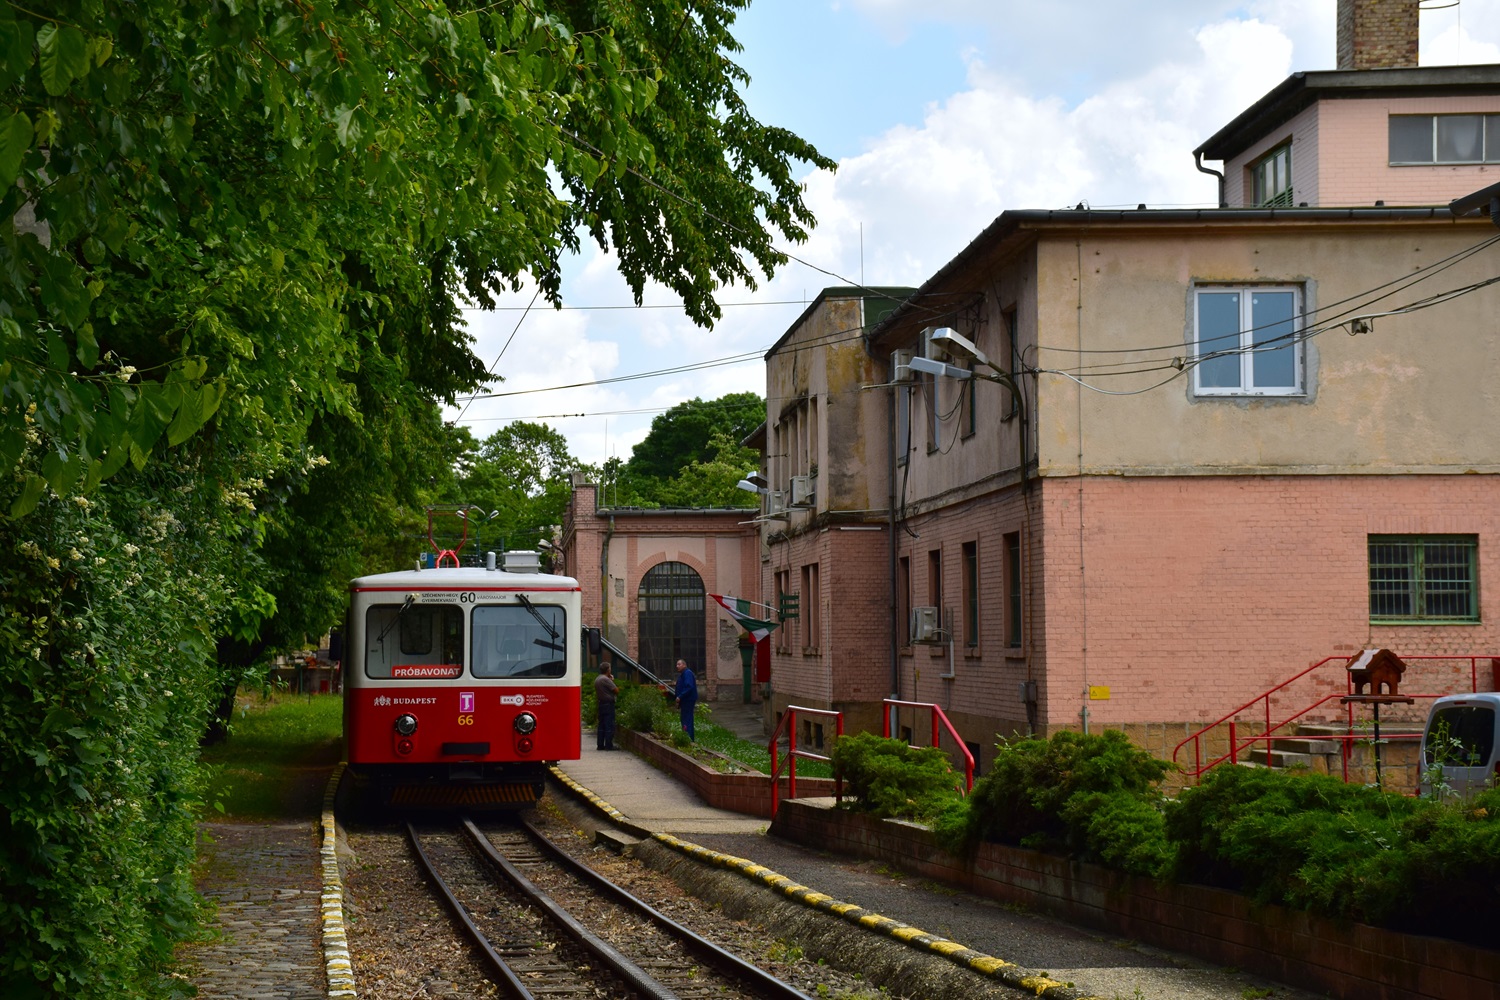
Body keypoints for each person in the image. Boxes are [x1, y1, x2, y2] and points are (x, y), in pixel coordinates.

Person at [593, 662, 618, 750]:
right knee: (609, 725)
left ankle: (600, 745)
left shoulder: (598, 679)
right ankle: (608, 745)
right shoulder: (606, 680)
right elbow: (616, 690)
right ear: (608, 670)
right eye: (610, 668)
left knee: (601, 725)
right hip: (608, 704)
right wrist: (611, 680)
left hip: (601, 703)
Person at [672, 658, 698, 741]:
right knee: (684, 718)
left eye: (679, 664)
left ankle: (689, 738)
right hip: (685, 700)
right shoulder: (683, 674)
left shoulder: (687, 673)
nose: (677, 666)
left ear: (684, 665)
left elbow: (689, 686)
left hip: (688, 699)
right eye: (677, 664)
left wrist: (680, 696)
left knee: (687, 718)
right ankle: (686, 736)